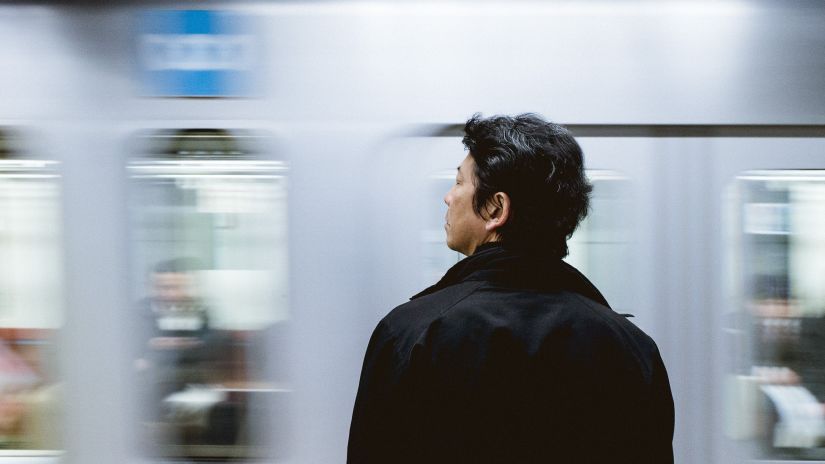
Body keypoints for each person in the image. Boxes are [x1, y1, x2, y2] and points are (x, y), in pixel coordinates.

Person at [348, 114, 674, 463]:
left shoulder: (412, 334)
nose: (447, 197)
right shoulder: (631, 348)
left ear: (496, 208)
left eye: (459, 183)